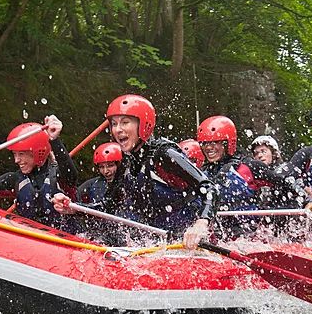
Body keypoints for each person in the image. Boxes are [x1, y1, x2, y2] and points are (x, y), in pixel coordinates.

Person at [53, 94, 216, 248]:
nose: (117, 129)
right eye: (114, 124)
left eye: (125, 122)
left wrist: (201, 223)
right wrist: (74, 208)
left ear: (143, 125)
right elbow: (108, 206)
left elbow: (209, 188)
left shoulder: (164, 154)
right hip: (159, 242)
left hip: (191, 240)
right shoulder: (126, 162)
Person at [196, 116, 304, 216]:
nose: (208, 148)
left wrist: (306, 203)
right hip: (214, 227)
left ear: (227, 143)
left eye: (214, 142)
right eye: (204, 143)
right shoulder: (202, 173)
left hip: (247, 227)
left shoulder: (250, 166)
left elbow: (286, 184)